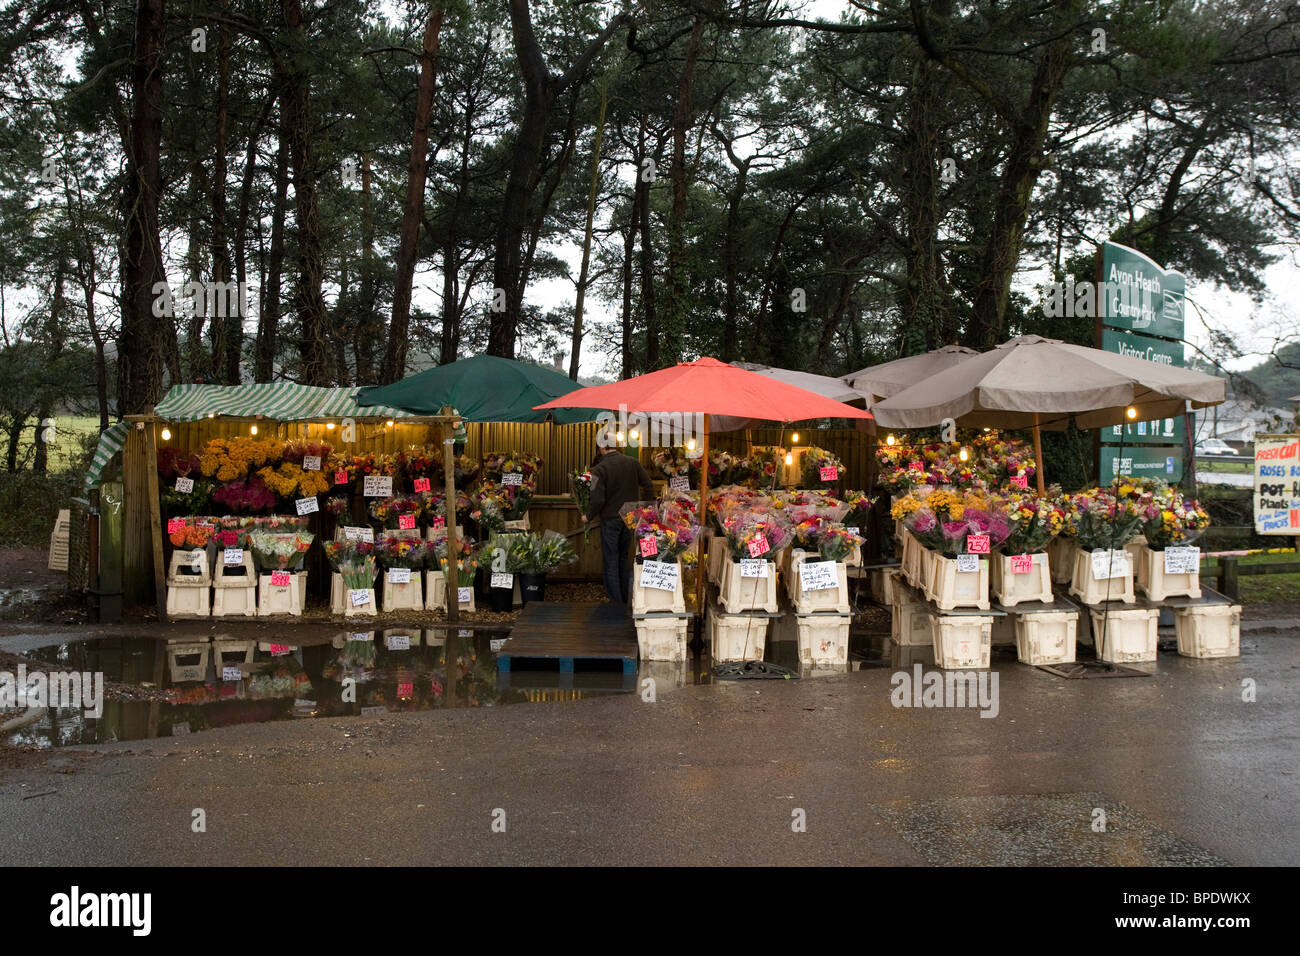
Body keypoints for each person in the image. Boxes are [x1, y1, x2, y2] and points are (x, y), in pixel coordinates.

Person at [584, 443, 655, 603]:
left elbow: (598, 499)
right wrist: (644, 510)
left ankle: (615, 602)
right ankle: (624, 598)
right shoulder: (633, 462)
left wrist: (588, 515)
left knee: (611, 559)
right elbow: (648, 486)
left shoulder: (598, 469)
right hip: (630, 518)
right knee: (623, 557)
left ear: (602, 448)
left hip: (610, 519)